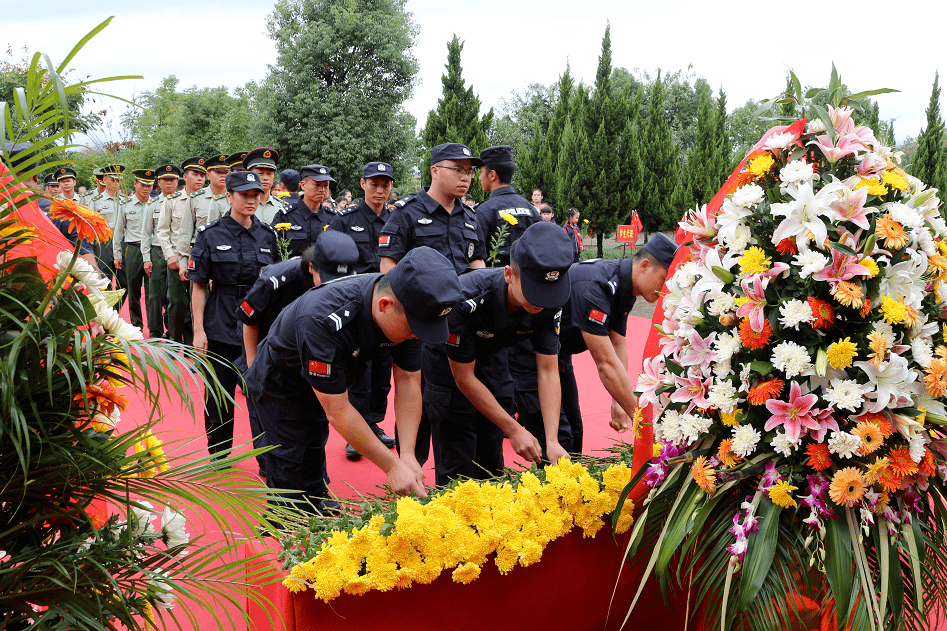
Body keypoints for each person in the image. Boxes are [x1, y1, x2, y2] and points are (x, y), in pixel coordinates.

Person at [243, 247, 462, 513]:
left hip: (331, 373)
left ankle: (315, 497)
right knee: (292, 460)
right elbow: (338, 411)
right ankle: (286, 528)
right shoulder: (322, 319)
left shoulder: (410, 310)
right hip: (282, 383)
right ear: (384, 306)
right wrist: (392, 467)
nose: (417, 336)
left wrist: (407, 455)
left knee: (313, 446)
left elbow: (407, 381)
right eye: (415, 330)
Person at [424, 222, 574, 485]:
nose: (541, 303)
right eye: (534, 293)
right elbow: (464, 378)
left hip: (493, 359)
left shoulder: (550, 301)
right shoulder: (465, 299)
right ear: (508, 274)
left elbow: (549, 369)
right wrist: (514, 428)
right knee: (458, 473)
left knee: (492, 469)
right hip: (449, 368)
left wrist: (551, 439)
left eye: (548, 294)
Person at [378, 142, 487, 465]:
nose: (466, 177)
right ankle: (410, 470)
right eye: (458, 169)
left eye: (470, 171)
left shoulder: (470, 217)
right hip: (420, 328)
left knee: (455, 410)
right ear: (435, 170)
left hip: (461, 328)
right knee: (418, 404)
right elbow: (388, 271)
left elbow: (478, 263)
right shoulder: (407, 215)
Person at [237, 229, 359, 476]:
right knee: (267, 416)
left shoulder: (348, 277)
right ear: (312, 267)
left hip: (306, 351)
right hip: (266, 349)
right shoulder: (276, 279)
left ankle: (316, 480)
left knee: (314, 420)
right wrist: (252, 365)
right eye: (325, 278)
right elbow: (249, 320)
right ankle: (270, 469)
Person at [553, 233, 677, 451]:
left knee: (574, 430)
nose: (664, 290)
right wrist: (642, 421)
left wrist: (618, 400)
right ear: (645, 265)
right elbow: (605, 363)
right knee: (559, 437)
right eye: (664, 280)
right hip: (529, 352)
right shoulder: (598, 285)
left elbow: (617, 343)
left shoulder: (625, 286)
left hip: (558, 354)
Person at [189, 170, 278, 458]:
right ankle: (218, 453)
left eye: (256, 195)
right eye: (244, 195)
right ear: (229, 196)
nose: (252, 200)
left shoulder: (268, 235)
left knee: (262, 391)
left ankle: (266, 456)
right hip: (221, 318)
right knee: (219, 392)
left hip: (258, 322)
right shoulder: (210, 235)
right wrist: (199, 330)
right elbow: (199, 285)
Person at [329, 161, 399, 459]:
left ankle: (373, 424)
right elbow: (331, 259)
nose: (380, 190)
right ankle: (355, 433)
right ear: (362, 184)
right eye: (374, 184)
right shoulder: (344, 219)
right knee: (360, 370)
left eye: (385, 185)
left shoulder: (397, 220)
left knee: (383, 372)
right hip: (357, 305)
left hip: (388, 306)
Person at [156, 157, 206, 344]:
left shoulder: (208, 201)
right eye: (195, 174)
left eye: (202, 175)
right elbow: (162, 231)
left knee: (198, 305)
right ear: (185, 177)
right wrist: (170, 255)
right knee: (176, 303)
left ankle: (194, 345)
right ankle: (175, 343)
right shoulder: (172, 201)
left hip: (200, 259)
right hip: (176, 258)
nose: (199, 179)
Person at [475, 145, 540, 268]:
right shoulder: (530, 209)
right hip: (527, 281)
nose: (479, 177)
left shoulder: (484, 211)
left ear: (492, 175)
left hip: (495, 281)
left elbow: (477, 257)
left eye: (481, 172)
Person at [141, 164, 181, 339]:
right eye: (165, 180)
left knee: (174, 296)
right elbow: (146, 233)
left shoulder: (183, 201)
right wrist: (146, 257)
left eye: (172, 179)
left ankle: (172, 332)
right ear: (159, 182)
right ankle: (156, 332)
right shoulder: (152, 204)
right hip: (157, 252)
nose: (169, 183)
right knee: (155, 295)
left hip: (177, 251)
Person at [112, 168, 155, 330]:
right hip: (133, 250)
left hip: (152, 250)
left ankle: (153, 327)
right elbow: (118, 231)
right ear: (135, 184)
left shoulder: (157, 204)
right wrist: (117, 254)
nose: (146, 188)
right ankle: (137, 325)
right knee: (133, 290)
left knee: (153, 292)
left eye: (150, 186)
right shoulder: (125, 205)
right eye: (143, 185)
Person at [177, 154, 231, 279]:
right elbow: (185, 232)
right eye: (218, 172)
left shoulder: (235, 197)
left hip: (228, 257)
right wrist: (183, 262)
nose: (223, 176)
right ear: (208, 175)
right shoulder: (195, 198)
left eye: (226, 172)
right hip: (200, 256)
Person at [274, 164, 336, 258]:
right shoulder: (286, 215)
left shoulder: (333, 217)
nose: (322, 190)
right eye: (317, 185)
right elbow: (274, 249)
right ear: (303, 185)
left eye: (325, 185)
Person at [87, 164, 126, 292]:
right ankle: (107, 310)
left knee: (124, 282)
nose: (116, 183)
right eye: (113, 180)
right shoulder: (96, 201)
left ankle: (116, 309)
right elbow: (90, 225)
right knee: (105, 280)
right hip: (104, 243)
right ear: (104, 180)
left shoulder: (125, 201)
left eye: (118, 180)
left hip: (122, 242)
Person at [242, 147, 285, 224]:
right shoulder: (240, 205)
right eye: (260, 173)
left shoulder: (281, 206)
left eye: (269, 174)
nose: (265, 178)